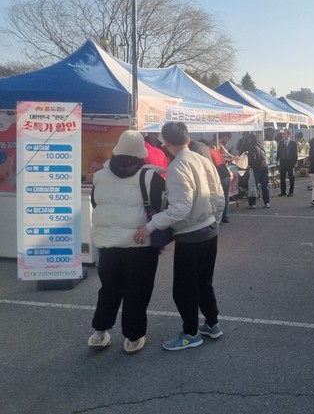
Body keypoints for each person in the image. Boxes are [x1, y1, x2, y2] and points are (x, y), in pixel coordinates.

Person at [134, 122, 225, 351]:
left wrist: (151, 226)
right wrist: (214, 220)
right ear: (188, 138)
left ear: (166, 143)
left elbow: (180, 209)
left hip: (191, 236)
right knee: (204, 282)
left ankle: (191, 333)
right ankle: (212, 324)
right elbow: (218, 195)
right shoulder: (202, 159)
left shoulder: (177, 167)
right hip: (210, 231)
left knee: (184, 288)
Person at [89, 130, 165, 354]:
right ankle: (133, 337)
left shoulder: (100, 176)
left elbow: (95, 203)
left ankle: (99, 333)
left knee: (109, 289)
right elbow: (161, 207)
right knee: (137, 292)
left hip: (108, 245)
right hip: (139, 245)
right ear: (141, 151)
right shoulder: (150, 176)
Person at [246, 133, 271, 208]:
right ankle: (267, 202)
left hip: (256, 168)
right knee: (264, 186)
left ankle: (252, 203)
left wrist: (249, 164)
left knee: (253, 185)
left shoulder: (252, 147)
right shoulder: (261, 146)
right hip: (264, 168)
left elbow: (253, 159)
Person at [276, 128, 298, 197]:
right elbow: (278, 152)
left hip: (290, 162)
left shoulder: (293, 143)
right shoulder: (280, 143)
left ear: (289, 135)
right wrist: (277, 159)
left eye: (285, 134)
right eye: (283, 134)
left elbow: (295, 154)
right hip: (283, 162)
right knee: (282, 177)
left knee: (291, 177)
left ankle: (291, 192)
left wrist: (295, 162)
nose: (283, 135)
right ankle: (283, 191)